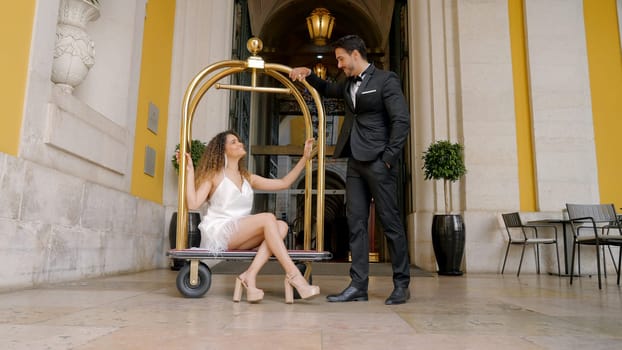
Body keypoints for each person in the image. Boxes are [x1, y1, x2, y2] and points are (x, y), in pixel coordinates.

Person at [290, 34, 411, 305]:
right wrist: (308, 74)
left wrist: (389, 158)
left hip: (380, 161)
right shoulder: (346, 83)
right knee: (355, 223)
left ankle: (402, 284)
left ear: (356, 54)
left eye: (341, 58)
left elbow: (401, 121)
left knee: (390, 224)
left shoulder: (386, 80)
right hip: (355, 161)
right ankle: (358, 286)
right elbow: (327, 88)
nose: (339, 64)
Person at [179, 130, 319, 304]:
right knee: (269, 218)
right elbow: (193, 204)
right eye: (234, 142)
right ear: (222, 149)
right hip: (221, 231)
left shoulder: (247, 177)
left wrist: (305, 158)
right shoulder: (214, 175)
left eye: (239, 141)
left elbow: (284, 183)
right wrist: (189, 171)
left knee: (281, 226)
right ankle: (294, 276)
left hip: (241, 232)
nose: (240, 144)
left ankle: (249, 275)